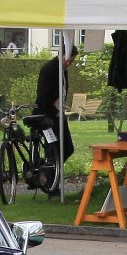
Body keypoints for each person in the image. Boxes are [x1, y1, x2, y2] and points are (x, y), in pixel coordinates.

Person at [32, 45, 78, 196]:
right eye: (68, 60)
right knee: (55, 149)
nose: (69, 63)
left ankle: (49, 177)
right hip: (48, 116)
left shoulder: (63, 70)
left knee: (67, 148)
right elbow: (43, 96)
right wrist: (53, 110)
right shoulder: (49, 69)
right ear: (61, 55)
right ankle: (50, 183)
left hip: (58, 114)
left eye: (71, 61)